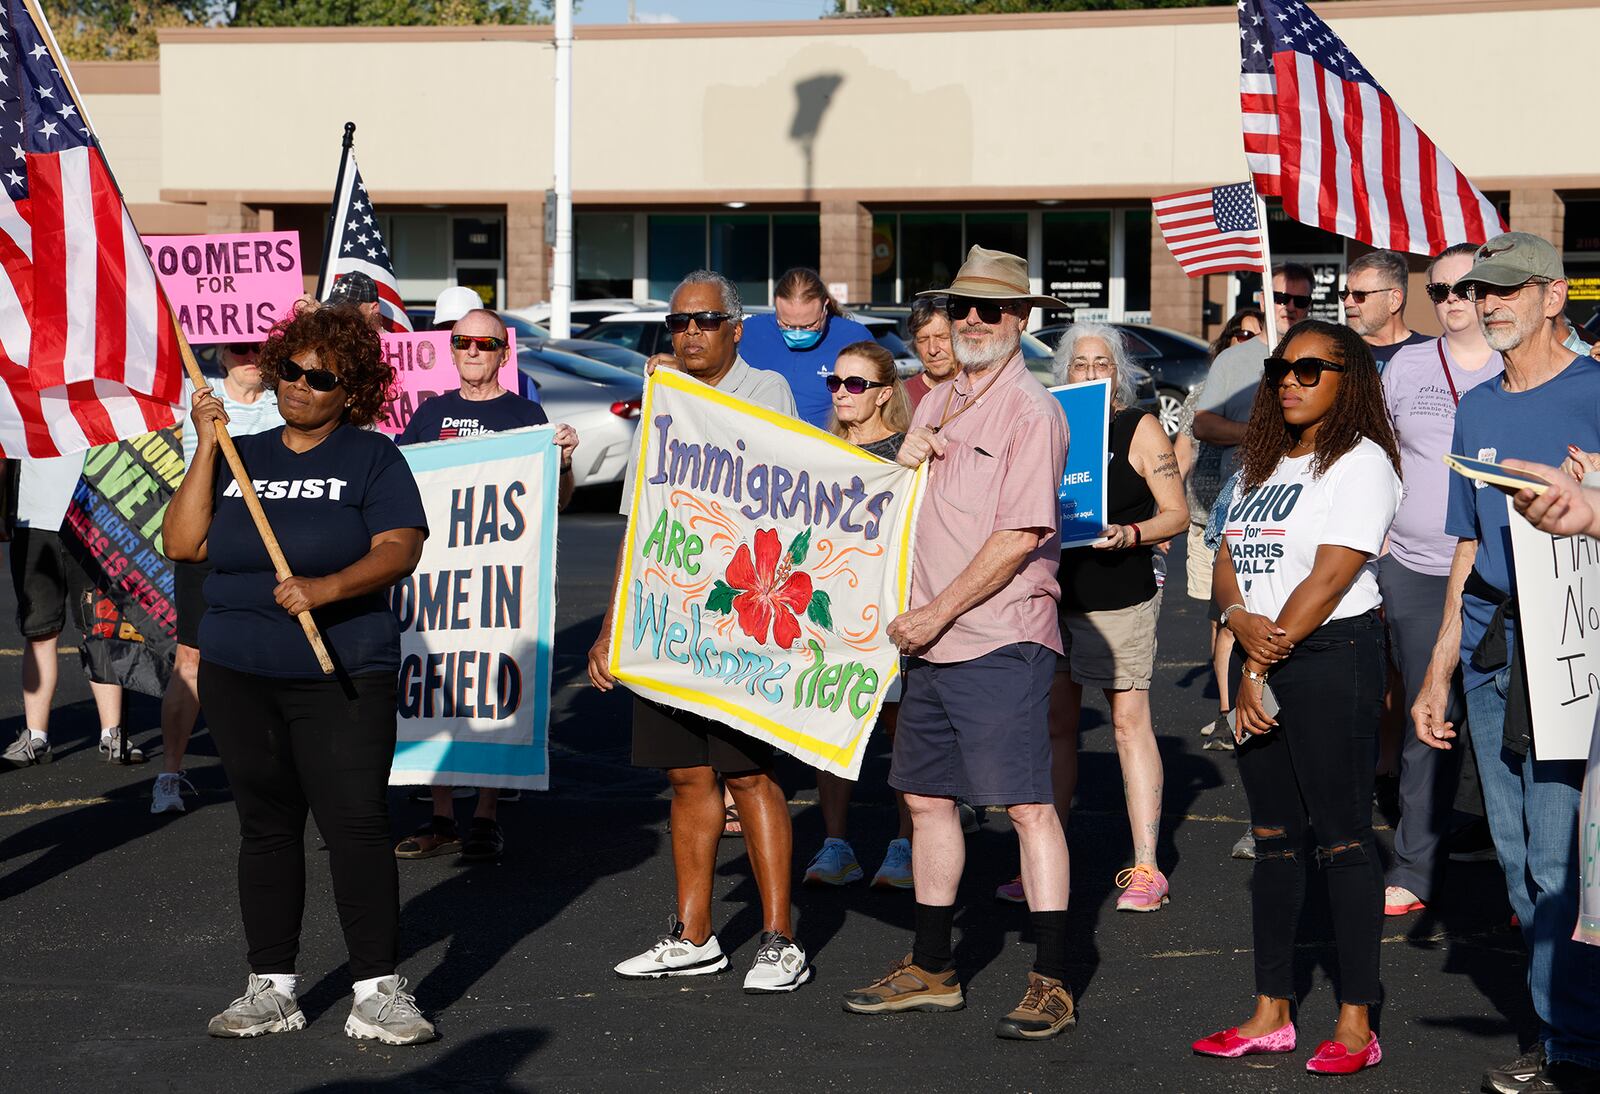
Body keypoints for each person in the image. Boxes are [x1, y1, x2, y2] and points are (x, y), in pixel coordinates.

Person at [165, 305, 436, 1045]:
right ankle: (272, 988)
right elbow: (184, 542)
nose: (301, 386)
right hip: (237, 669)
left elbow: (400, 547)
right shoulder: (239, 451)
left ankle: (378, 990)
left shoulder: (373, 457)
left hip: (340, 671)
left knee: (355, 826)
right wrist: (204, 447)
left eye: (322, 378)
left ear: (351, 391)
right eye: (291, 370)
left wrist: (328, 587)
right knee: (266, 827)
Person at [841, 246, 1075, 1041]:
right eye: (962, 307)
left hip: (996, 634)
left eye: (992, 309)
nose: (972, 320)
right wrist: (901, 459)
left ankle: (1053, 978)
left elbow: (1019, 535)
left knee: (1028, 808)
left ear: (1020, 320)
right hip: (928, 638)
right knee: (925, 800)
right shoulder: (937, 400)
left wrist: (936, 612)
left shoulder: (1030, 413)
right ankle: (934, 967)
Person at [587, 271, 814, 994]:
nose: (689, 333)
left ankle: (779, 938)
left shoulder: (767, 389)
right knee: (685, 776)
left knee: (749, 774)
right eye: (678, 324)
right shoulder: (661, 404)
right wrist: (607, 627)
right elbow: (639, 525)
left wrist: (678, 396)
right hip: (669, 618)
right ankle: (693, 934)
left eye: (706, 321)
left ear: (736, 329)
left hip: (745, 619)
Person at [1412, 232, 1600, 1094]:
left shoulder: (1596, 389)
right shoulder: (1479, 405)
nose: (1488, 303)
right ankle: (1559, 1022)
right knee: (1518, 851)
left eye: (1508, 290)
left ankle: (1575, 1043)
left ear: (1553, 297)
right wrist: (1440, 663)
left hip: (1573, 643)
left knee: (1566, 857)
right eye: (1480, 290)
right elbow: (1464, 543)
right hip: (1493, 642)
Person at [1193, 318, 1401, 1075]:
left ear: (1350, 382)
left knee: (1344, 840)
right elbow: (1227, 556)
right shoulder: (1262, 461)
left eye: (1310, 370)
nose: (1289, 379)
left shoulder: (1364, 462)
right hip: (1262, 649)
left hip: (1330, 656)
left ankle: (1355, 1023)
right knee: (1276, 841)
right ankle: (1270, 1012)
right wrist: (1238, 618)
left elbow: (1330, 576)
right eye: (1283, 367)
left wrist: (1254, 669)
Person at [1013, 323, 1188, 913]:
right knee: (1056, 728)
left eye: (1102, 363)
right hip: (1053, 596)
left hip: (1121, 596)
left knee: (1126, 725)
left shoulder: (1138, 427)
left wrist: (1132, 532)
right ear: (1064, 372)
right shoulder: (1049, 423)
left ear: (1121, 372)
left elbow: (1177, 514)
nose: (1090, 373)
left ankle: (1146, 866)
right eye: (1080, 364)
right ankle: (1046, 862)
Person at [392, 308, 578, 861]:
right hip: (437, 582)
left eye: (485, 343)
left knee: (495, 688)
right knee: (439, 688)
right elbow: (402, 488)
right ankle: (442, 816)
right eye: (463, 342)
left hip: (499, 581)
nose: (473, 351)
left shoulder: (526, 414)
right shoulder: (429, 416)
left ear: (503, 353)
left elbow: (558, 504)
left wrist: (563, 462)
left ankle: (486, 816)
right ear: (451, 350)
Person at [1373, 243, 1503, 915]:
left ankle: (1530, 873)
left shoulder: (1522, 358)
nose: (1452, 301)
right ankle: (1415, 865)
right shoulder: (1409, 365)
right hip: (1418, 566)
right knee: (1430, 710)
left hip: (1505, 567)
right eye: (1440, 291)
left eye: (1464, 288)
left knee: (1517, 719)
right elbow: (1382, 452)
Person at [1195, 267, 1311, 860]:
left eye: (1302, 299)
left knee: (1307, 681)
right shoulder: (1238, 362)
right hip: (1244, 511)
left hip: (1309, 534)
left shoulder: (1328, 351)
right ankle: (1265, 815)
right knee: (1248, 660)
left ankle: (1312, 812)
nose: (1291, 306)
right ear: (1262, 298)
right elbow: (1204, 424)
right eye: (1282, 297)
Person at [799, 340, 917, 891]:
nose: (842, 393)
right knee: (830, 721)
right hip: (831, 609)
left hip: (891, 609)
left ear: (884, 394)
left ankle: (904, 844)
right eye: (835, 383)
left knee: (900, 731)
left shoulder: (907, 455)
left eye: (855, 384)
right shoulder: (818, 448)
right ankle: (836, 843)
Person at [152, 341, 285, 814]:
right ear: (220, 352)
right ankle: (169, 772)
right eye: (239, 348)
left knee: (266, 654)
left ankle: (267, 769)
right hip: (207, 539)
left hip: (265, 546)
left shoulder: (285, 398)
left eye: (260, 348)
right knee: (192, 657)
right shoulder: (199, 394)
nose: (250, 357)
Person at [4, 453, 130, 767]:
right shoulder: (21, 403)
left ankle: (112, 733)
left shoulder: (96, 401)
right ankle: (36, 735)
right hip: (33, 521)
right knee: (39, 630)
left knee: (99, 626)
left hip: (92, 519)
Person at [1184, 307, 1263, 748]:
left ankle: (1248, 703)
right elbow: (1185, 444)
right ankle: (1228, 709)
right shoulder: (1209, 387)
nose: (1244, 340)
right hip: (1210, 514)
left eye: (1253, 333)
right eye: (1238, 333)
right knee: (1222, 619)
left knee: (1238, 617)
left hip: (1248, 512)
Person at [735, 267, 874, 430]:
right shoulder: (749, 332)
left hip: (830, 447)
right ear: (776, 307)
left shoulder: (854, 337)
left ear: (824, 307)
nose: (797, 333)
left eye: (809, 325)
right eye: (786, 325)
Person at [1340, 249, 1430, 371]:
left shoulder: (1432, 355)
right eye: (1345, 293)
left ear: (1394, 300)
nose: (1347, 303)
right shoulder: (1336, 354)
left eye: (1359, 295)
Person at [904, 296, 957, 411]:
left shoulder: (980, 391)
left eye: (942, 337)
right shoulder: (904, 397)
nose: (932, 350)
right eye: (923, 340)